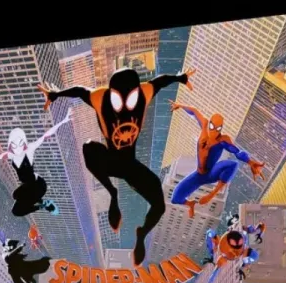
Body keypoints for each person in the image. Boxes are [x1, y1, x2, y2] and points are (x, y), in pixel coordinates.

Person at [38, 66, 196, 266]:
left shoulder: (144, 93)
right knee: (88, 147)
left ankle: (141, 234)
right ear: (111, 93)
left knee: (159, 205)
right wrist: (55, 95)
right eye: (117, 101)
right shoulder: (100, 98)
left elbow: (161, 81)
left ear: (136, 92)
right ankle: (112, 192)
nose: (123, 108)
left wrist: (180, 77)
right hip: (109, 161)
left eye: (130, 100)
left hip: (130, 167)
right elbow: (79, 91)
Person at [168, 101, 265, 218]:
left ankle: (213, 193)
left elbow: (237, 152)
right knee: (175, 198)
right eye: (212, 127)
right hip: (198, 175)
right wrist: (180, 106)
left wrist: (250, 162)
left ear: (221, 128)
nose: (214, 131)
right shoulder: (204, 126)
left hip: (211, 174)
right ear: (209, 123)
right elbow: (194, 111)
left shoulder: (222, 140)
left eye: (218, 128)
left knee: (233, 164)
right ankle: (191, 204)